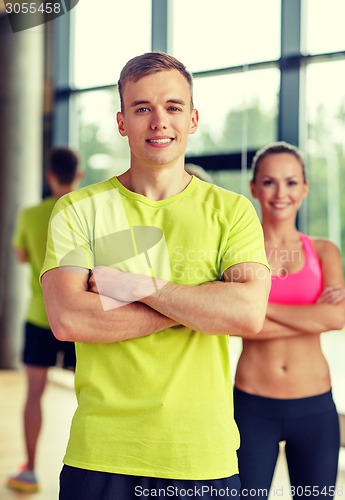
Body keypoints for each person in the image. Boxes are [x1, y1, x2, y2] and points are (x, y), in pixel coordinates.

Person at [41, 52, 271, 500]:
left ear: (193, 118)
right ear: (122, 121)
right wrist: (203, 304)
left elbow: (246, 314)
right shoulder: (78, 210)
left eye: (173, 107)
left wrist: (140, 287)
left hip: (201, 455)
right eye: (142, 108)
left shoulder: (232, 211)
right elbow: (70, 319)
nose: (158, 121)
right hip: (101, 454)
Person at [233, 142, 345, 500]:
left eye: (292, 182)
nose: (281, 193)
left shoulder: (325, 251)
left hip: (315, 407)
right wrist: (312, 316)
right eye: (269, 182)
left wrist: (260, 307)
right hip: (251, 407)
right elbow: (233, 322)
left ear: (305, 188)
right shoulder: (237, 253)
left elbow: (337, 316)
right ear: (253, 187)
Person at [8, 147, 82, 493]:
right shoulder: (85, 213)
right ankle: (92, 469)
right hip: (78, 318)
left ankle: (31, 470)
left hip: (41, 316)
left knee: (34, 394)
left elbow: (22, 256)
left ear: (50, 175)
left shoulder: (30, 215)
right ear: (78, 175)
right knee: (92, 395)